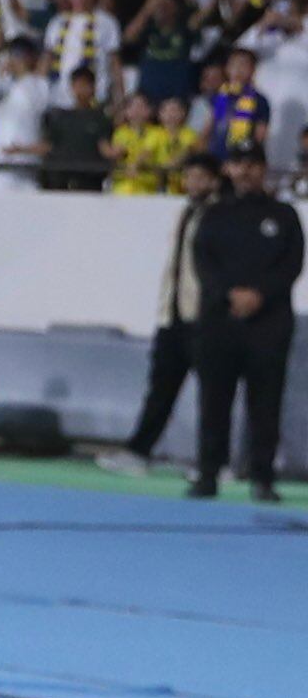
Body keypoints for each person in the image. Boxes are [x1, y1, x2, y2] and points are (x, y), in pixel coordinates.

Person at [189, 154, 299, 502]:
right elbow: (202, 262)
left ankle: (262, 476)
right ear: (229, 170)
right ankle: (208, 473)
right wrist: (229, 294)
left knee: (265, 403)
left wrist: (259, 295)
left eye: (252, 164)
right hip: (220, 320)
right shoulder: (214, 215)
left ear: (263, 169)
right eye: (238, 163)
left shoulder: (283, 215)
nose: (246, 171)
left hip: (269, 323)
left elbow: (292, 264)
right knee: (214, 400)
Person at [112, 155, 222, 475]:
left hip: (203, 317)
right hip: (173, 314)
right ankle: (139, 451)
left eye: (200, 177)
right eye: (189, 177)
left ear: (214, 180)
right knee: (160, 389)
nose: (193, 183)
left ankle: (214, 460)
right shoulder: (184, 212)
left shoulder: (222, 216)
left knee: (213, 394)